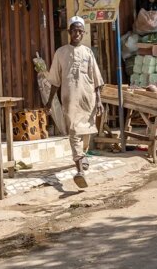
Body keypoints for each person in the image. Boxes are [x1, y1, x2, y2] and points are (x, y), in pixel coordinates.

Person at [46, 16, 104, 188]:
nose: (77, 33)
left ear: (83, 33)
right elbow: (55, 80)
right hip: (69, 99)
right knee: (73, 130)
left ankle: (82, 155)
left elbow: (96, 78)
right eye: (74, 30)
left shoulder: (88, 52)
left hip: (88, 99)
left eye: (80, 31)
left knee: (85, 132)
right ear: (69, 32)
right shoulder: (61, 52)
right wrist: (50, 101)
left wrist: (99, 101)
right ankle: (79, 170)